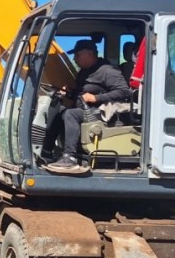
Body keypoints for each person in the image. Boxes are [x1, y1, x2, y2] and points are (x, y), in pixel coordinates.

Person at [42, 39, 131, 174]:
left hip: (102, 112)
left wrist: (96, 98)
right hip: (86, 109)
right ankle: (47, 152)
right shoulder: (84, 72)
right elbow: (82, 94)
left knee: (71, 114)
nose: (74, 59)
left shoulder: (107, 70)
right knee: (60, 109)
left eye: (77, 55)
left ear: (90, 54)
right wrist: (70, 93)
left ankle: (70, 157)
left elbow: (124, 92)